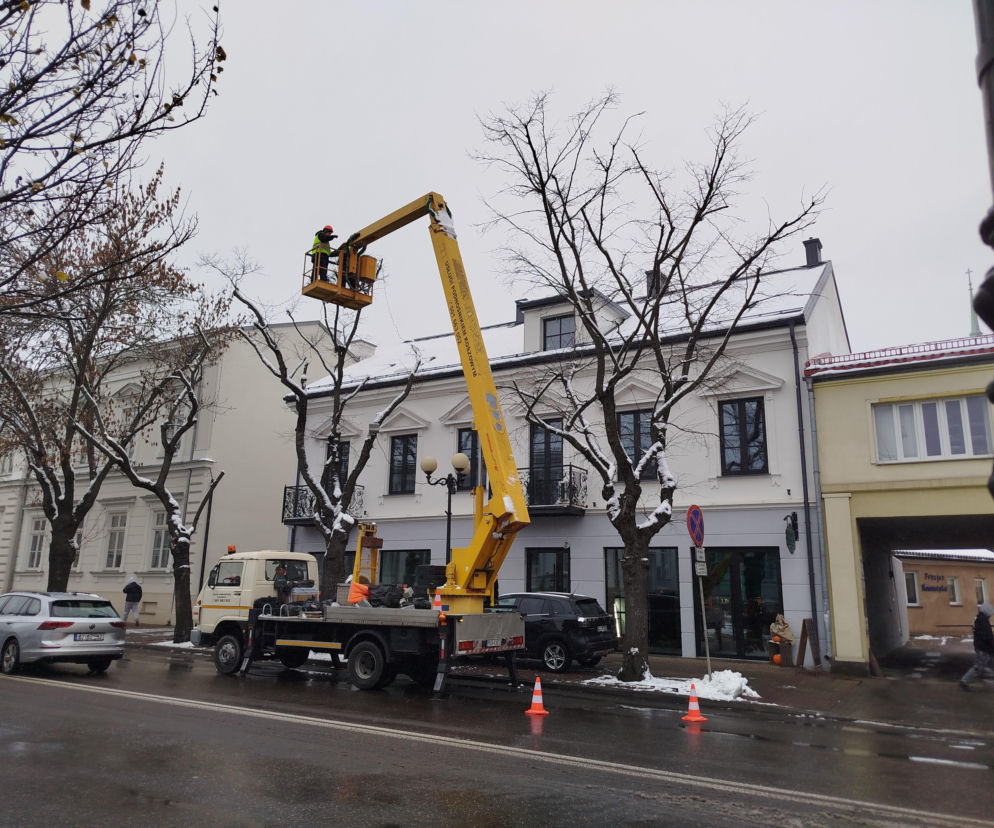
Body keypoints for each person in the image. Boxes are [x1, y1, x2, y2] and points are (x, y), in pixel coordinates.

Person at [959, 601, 994, 690]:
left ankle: (965, 680)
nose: (991, 615)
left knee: (989, 663)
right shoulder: (983, 621)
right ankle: (964, 681)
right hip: (983, 648)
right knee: (978, 666)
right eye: (990, 613)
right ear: (987, 612)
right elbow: (988, 636)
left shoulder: (980, 619)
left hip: (982, 647)